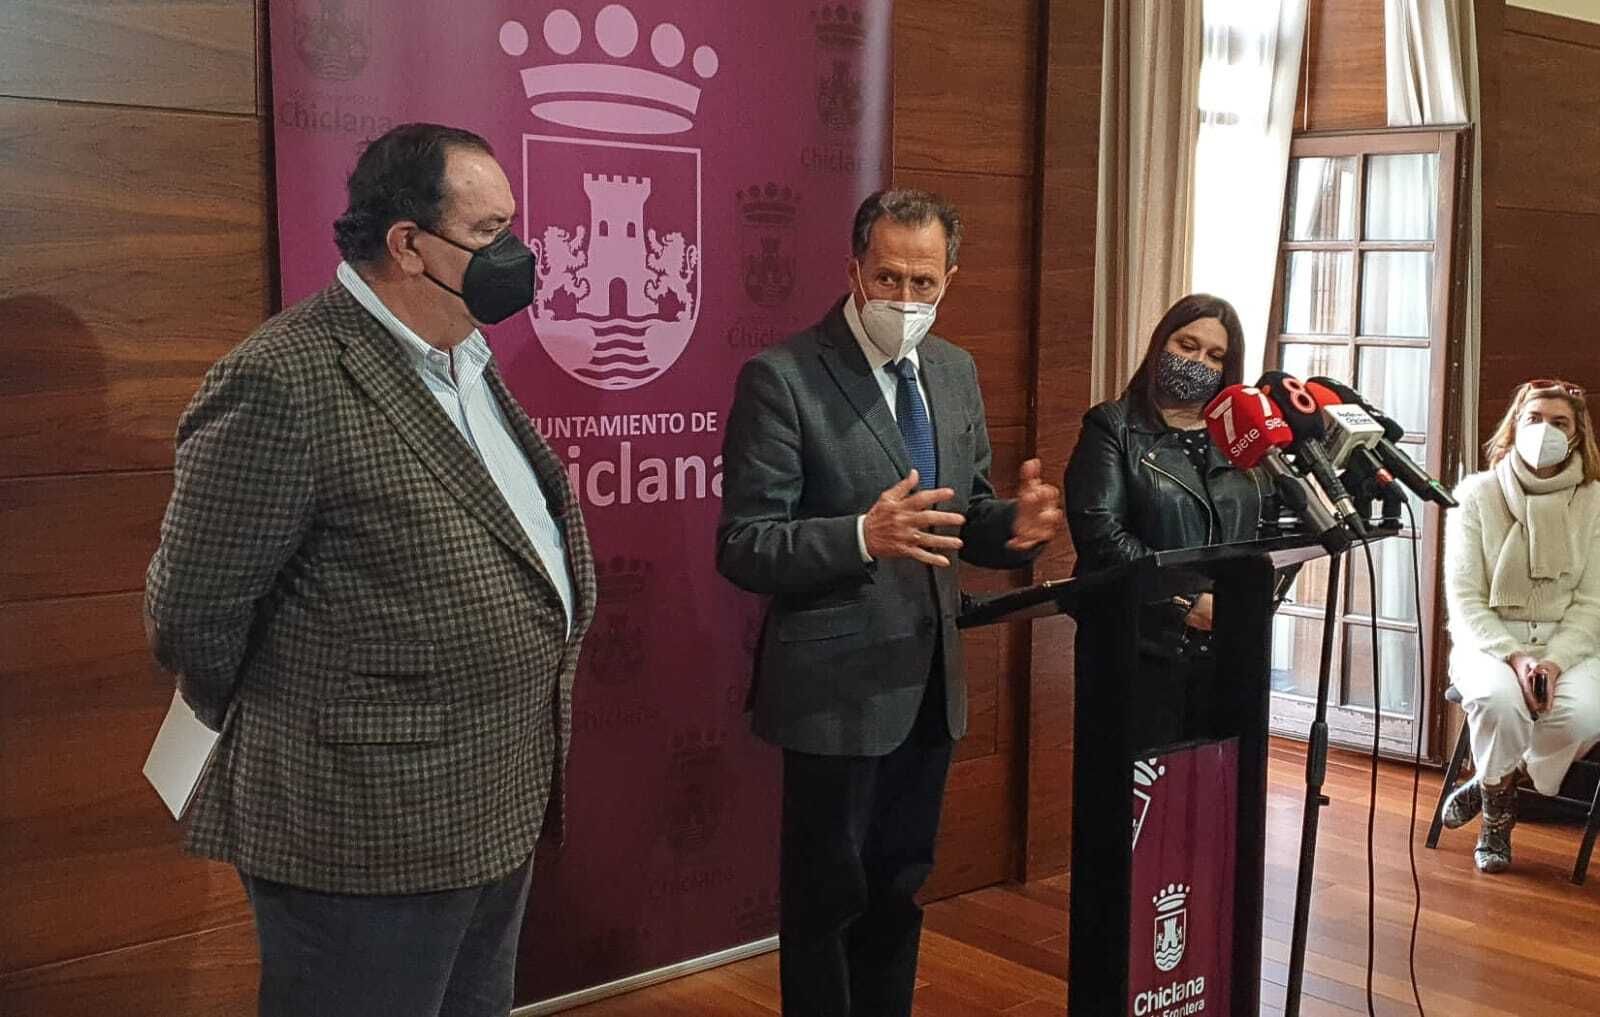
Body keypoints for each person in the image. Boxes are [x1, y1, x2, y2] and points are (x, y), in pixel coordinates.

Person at [144, 123, 596, 1017]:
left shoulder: (465, 353)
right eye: (490, 232)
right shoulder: (284, 379)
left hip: (489, 807)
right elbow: (190, 615)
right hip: (361, 835)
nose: (515, 253)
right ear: (406, 244)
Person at [716, 189, 1063, 1017]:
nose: (905, 301)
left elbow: (961, 516)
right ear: (853, 270)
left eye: (924, 283)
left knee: (900, 889)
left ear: (950, 278)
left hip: (930, 684)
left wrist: (1015, 527)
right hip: (833, 690)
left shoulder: (953, 369)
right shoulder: (783, 377)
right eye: (888, 279)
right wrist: (863, 535)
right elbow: (744, 543)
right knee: (825, 900)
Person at [1440, 379, 1600, 873]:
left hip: (1567, 643)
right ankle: (1497, 819)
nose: (1544, 431)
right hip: (1489, 641)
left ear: (1576, 437)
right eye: (1534, 418)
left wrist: (1552, 661)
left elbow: (1593, 602)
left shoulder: (1594, 501)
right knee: (1497, 702)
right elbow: (1464, 598)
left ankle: (1497, 780)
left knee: (1581, 717)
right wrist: (1516, 656)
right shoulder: (1474, 494)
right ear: (1514, 425)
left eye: (1559, 423)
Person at [1063, 293, 1267, 658]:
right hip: (1135, 638)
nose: (1198, 362)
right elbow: (1101, 534)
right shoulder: (1113, 426)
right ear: (1161, 344)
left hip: (1228, 639)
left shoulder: (1240, 438)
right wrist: (1186, 599)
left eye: (1215, 356)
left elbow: (1273, 529)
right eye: (1187, 346)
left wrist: (1245, 600)